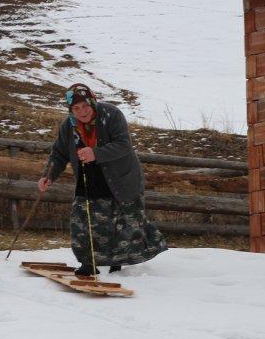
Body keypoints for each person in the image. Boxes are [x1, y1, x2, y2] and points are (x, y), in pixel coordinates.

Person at [37, 83, 167, 277]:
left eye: (85, 106)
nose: (81, 111)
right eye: (76, 108)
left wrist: (95, 153)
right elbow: (59, 154)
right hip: (88, 180)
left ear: (92, 102)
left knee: (121, 225)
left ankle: (117, 264)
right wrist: (48, 175)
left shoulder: (111, 115)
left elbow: (123, 145)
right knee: (82, 222)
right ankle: (88, 263)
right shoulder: (69, 126)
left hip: (120, 180)